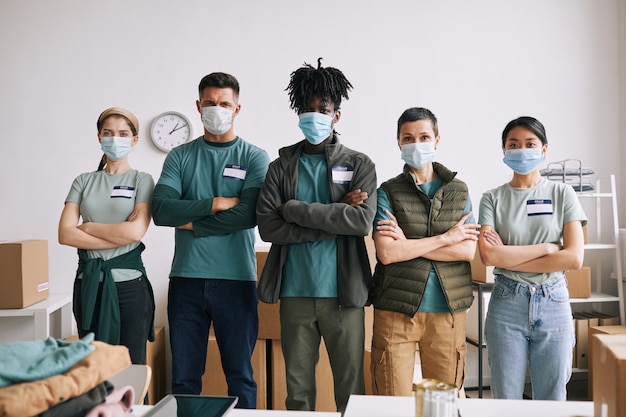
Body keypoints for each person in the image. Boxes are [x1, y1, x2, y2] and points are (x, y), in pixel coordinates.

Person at [256, 59, 377, 414]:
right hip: (294, 293)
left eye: (323, 110)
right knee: (297, 394)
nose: (315, 116)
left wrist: (292, 208)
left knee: (351, 391)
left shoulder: (359, 164)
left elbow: (360, 223)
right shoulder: (280, 167)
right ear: (298, 113)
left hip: (345, 295)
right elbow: (268, 227)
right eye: (308, 110)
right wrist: (336, 213)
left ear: (336, 115)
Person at [151, 72, 270, 409]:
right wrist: (214, 204)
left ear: (237, 108)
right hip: (186, 280)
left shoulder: (254, 157)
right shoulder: (180, 156)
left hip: (237, 280)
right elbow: (161, 210)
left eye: (225, 104)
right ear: (198, 106)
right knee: (184, 379)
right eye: (210, 103)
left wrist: (193, 224)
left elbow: (249, 215)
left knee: (240, 375)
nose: (217, 110)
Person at [370, 107, 478, 396]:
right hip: (396, 310)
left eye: (424, 136)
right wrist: (446, 238)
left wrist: (409, 244)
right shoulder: (387, 191)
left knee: (442, 404)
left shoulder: (459, 191)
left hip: (447, 311)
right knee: (392, 401)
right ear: (399, 143)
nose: (416, 143)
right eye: (408, 138)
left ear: (437, 139)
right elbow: (388, 254)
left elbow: (467, 250)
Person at [478, 116, 587, 400]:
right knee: (505, 398)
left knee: (552, 398)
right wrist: (548, 249)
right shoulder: (492, 198)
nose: (521, 150)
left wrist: (507, 255)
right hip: (506, 302)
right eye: (513, 144)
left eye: (530, 143)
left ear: (544, 149)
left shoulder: (562, 193)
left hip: (553, 301)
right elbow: (488, 255)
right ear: (504, 150)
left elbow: (574, 257)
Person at [58, 107, 156, 365]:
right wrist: (118, 235)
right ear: (99, 137)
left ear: (135, 140)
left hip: (129, 287)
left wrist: (89, 228)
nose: (115, 139)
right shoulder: (84, 181)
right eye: (108, 133)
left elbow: (135, 232)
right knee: (93, 365)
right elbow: (65, 234)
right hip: (89, 285)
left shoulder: (142, 180)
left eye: (123, 134)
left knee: (131, 364)